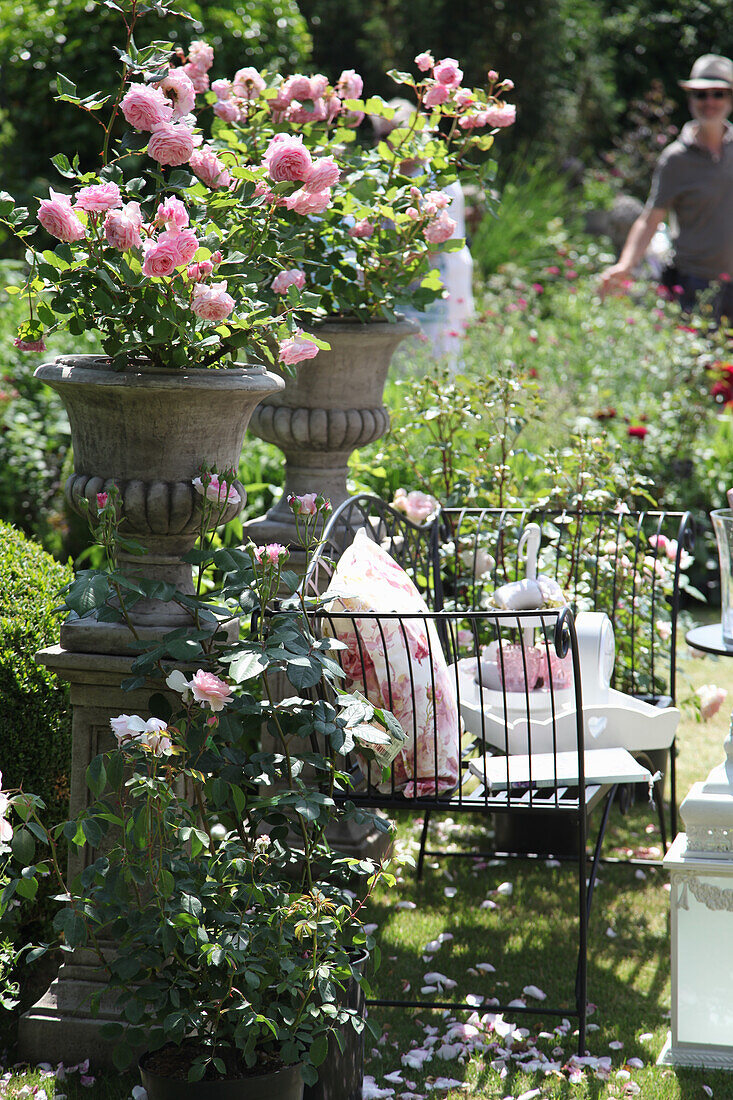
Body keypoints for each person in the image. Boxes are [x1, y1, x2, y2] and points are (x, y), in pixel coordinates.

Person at [600, 54, 733, 320]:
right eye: (701, 94)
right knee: (702, 361)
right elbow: (650, 219)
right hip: (696, 283)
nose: (709, 102)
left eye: (718, 94)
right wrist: (626, 264)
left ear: (729, 99)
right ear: (690, 99)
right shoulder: (676, 159)